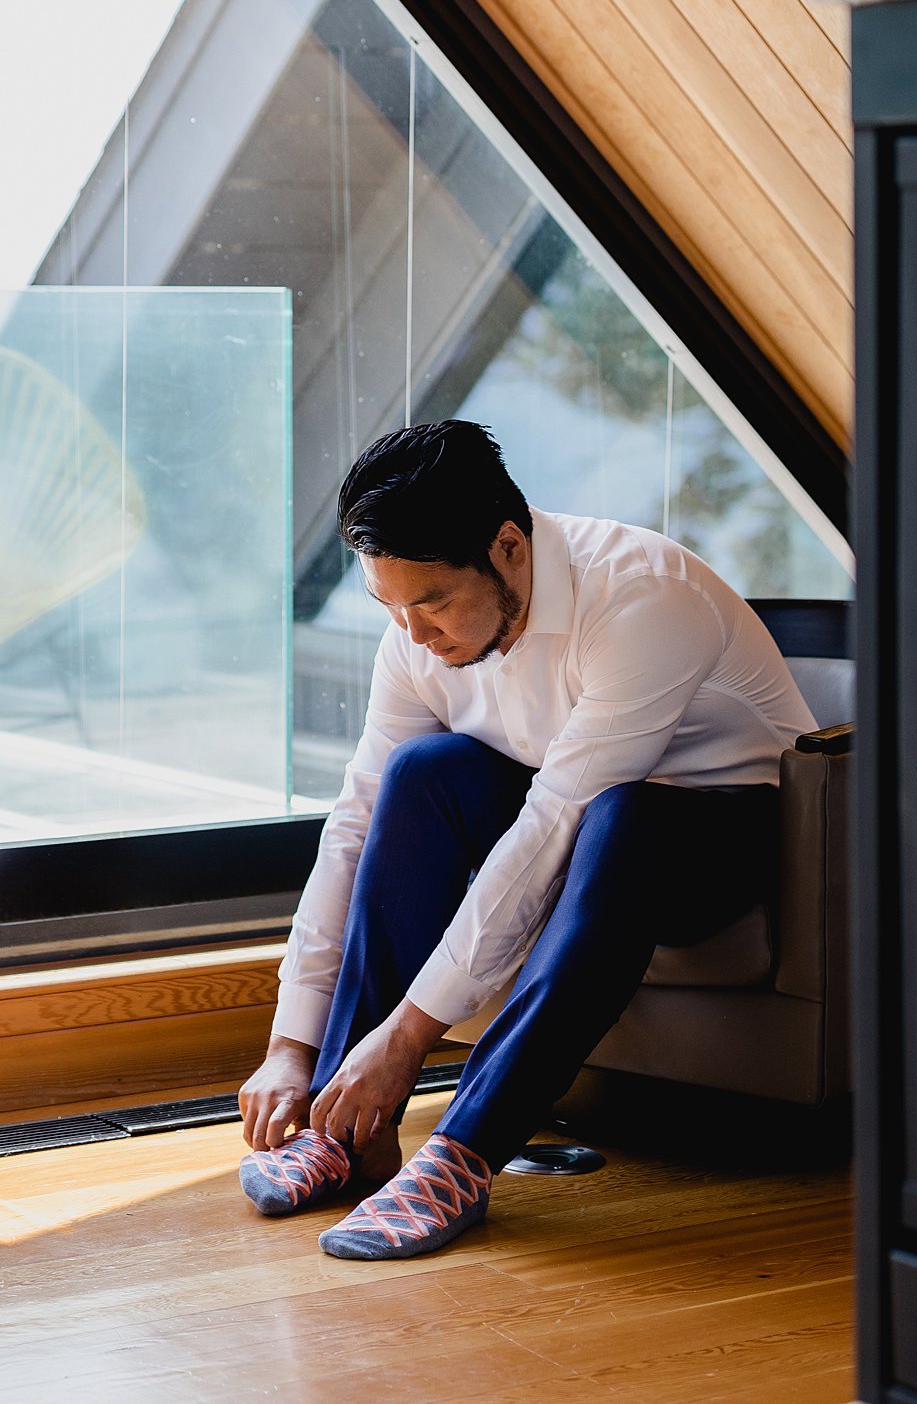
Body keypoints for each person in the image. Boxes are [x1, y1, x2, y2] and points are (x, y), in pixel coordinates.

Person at [237, 420, 814, 1262]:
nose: (413, 633)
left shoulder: (642, 596)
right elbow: (355, 822)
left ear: (509, 545)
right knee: (423, 772)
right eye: (388, 606)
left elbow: (556, 825)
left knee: (624, 815)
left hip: (731, 840)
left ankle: (462, 1157)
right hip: (580, 820)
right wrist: (290, 1044)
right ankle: (342, 1118)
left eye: (431, 601)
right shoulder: (413, 636)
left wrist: (407, 1040)